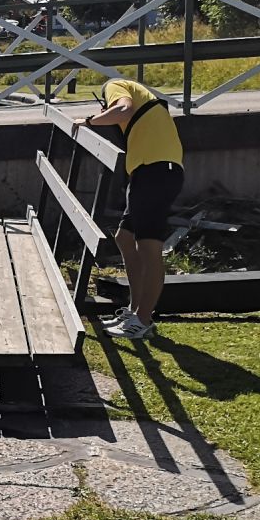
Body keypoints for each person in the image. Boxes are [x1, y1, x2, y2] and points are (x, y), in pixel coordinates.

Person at [74, 78, 184, 340]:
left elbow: (123, 109)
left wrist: (89, 121)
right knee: (124, 238)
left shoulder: (114, 85)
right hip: (149, 171)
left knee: (148, 246)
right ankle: (135, 311)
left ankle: (143, 320)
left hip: (155, 171)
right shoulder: (142, 98)